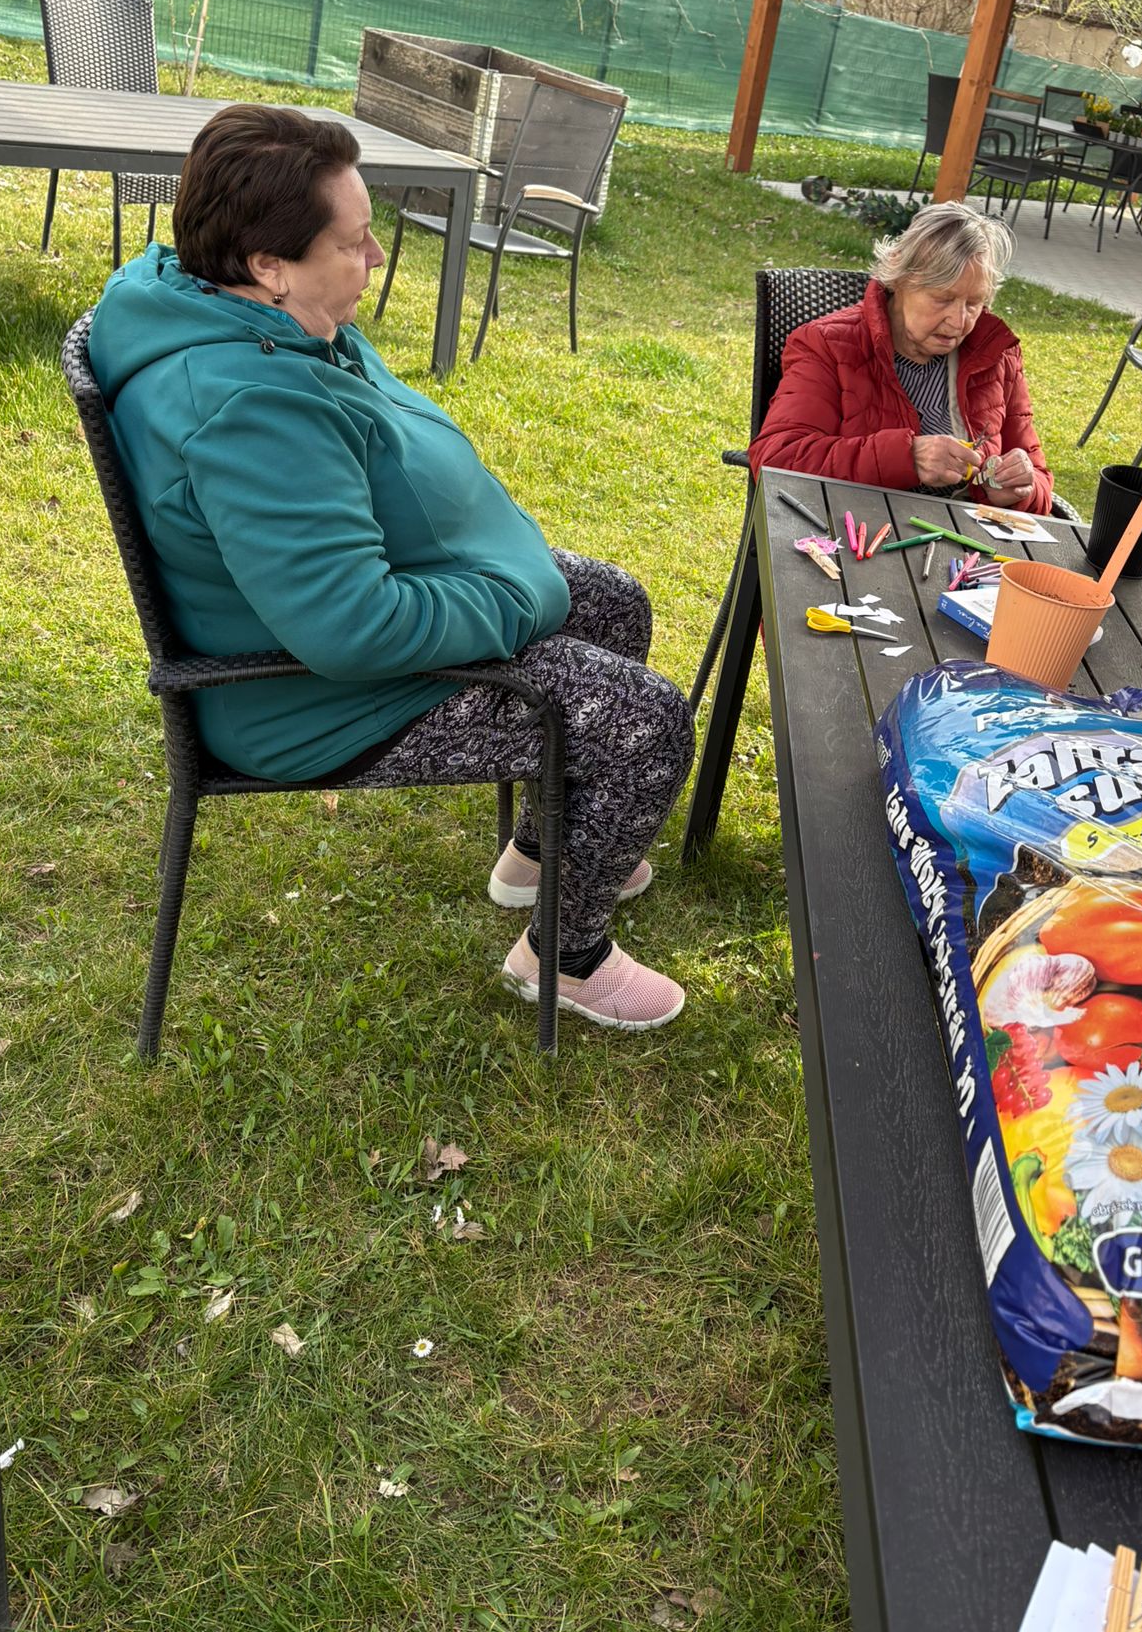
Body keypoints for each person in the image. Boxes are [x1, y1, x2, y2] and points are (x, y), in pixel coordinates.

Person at [88, 104, 693, 1031]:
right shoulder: (246, 406)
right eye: (354, 242)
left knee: (614, 604)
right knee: (645, 723)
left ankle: (544, 855)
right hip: (313, 700)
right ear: (269, 263)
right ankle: (564, 958)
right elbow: (352, 628)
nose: (375, 258)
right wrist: (513, 596)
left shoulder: (244, 311)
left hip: (354, 620)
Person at [748, 201, 1055, 513]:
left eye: (974, 303)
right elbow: (776, 460)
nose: (959, 321)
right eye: (943, 299)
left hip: (967, 537)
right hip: (857, 528)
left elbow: (1040, 487)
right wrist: (905, 458)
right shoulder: (828, 345)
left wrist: (1021, 490)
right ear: (899, 279)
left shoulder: (997, 354)